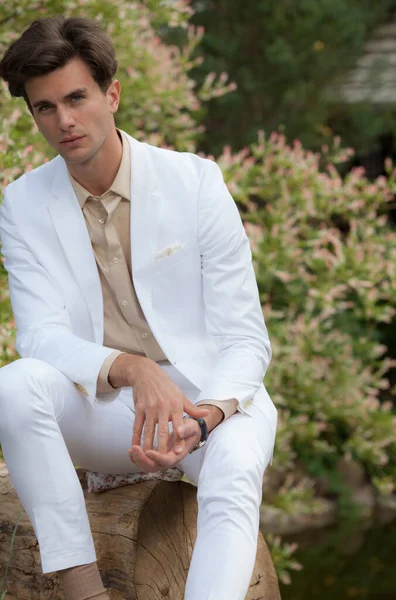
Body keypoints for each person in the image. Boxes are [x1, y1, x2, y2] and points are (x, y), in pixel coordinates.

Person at [0, 16, 277, 600]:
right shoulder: (22, 203)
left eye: (76, 97)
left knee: (233, 472)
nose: (64, 121)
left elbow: (246, 339)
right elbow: (41, 338)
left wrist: (204, 415)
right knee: (15, 385)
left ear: (113, 93)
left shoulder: (195, 182)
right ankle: (85, 592)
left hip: (209, 402)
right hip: (104, 406)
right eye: (44, 107)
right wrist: (131, 368)